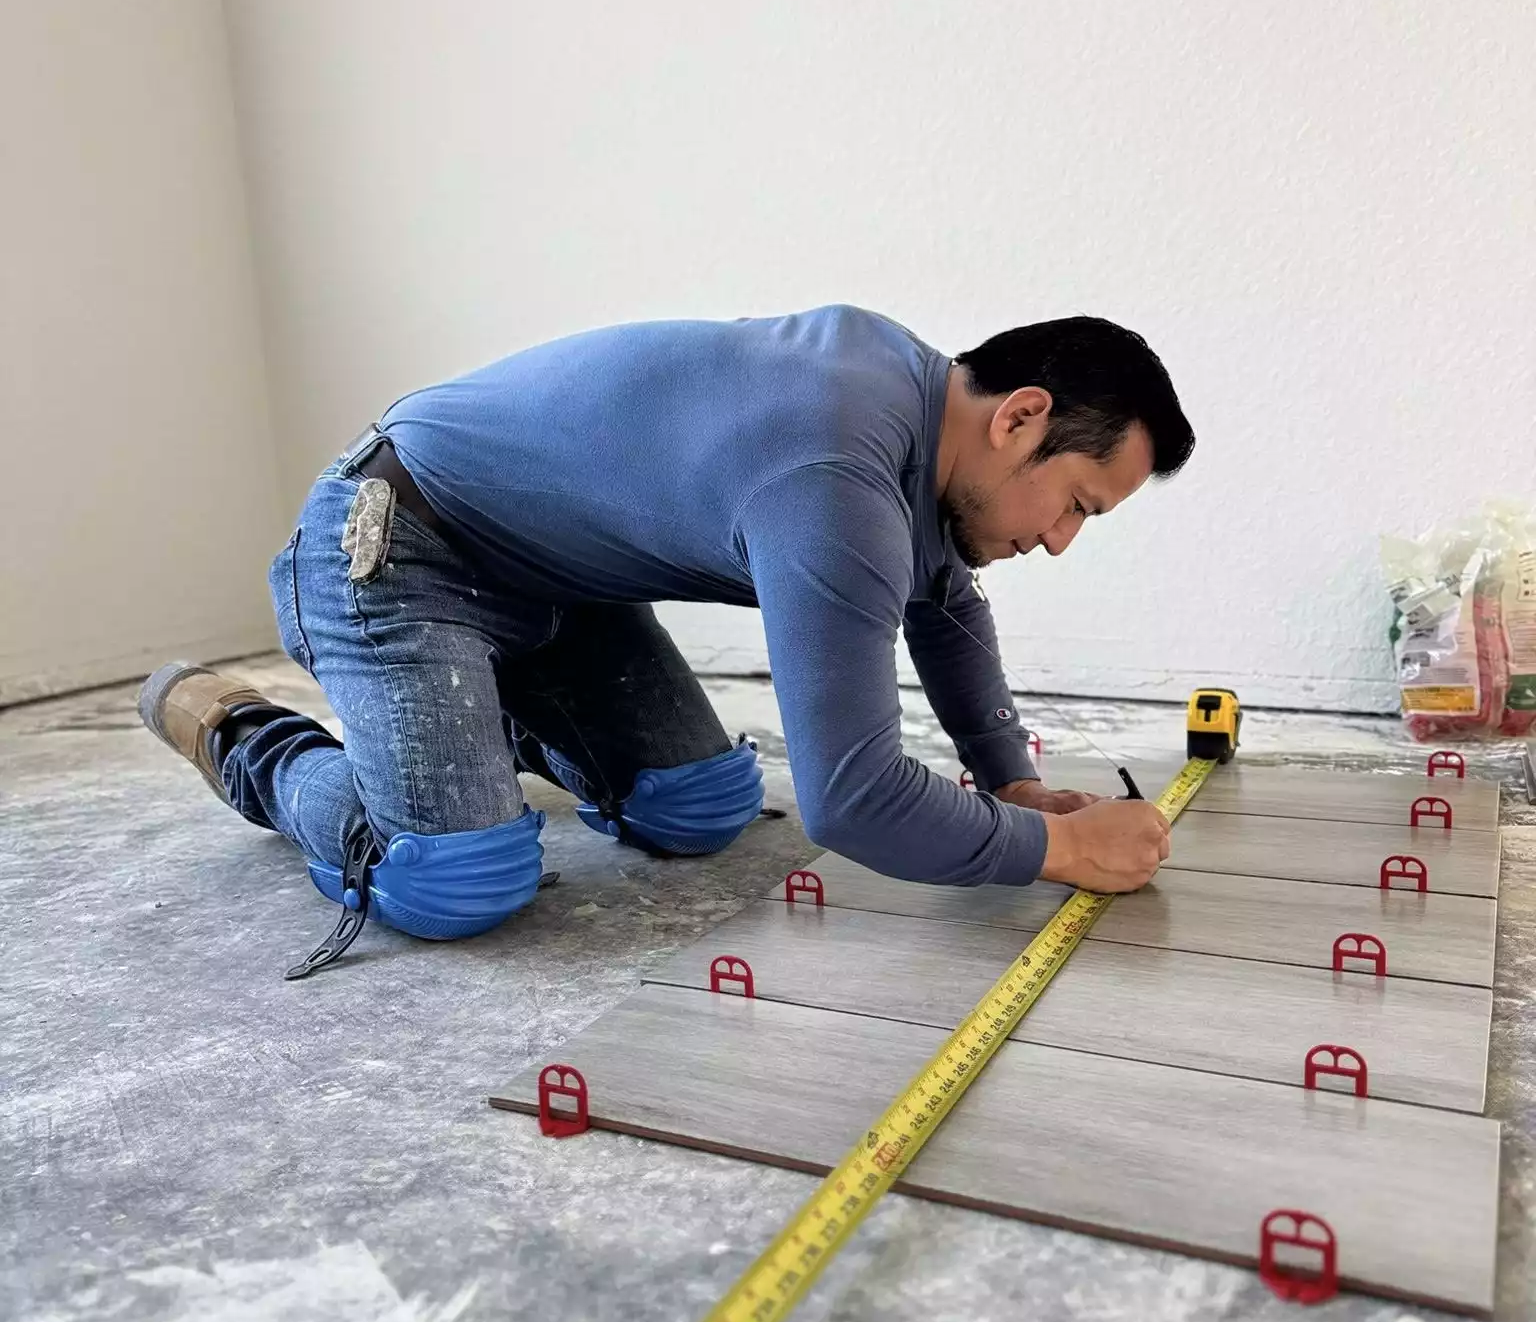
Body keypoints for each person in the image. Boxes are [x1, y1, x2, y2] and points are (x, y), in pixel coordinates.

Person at [139, 307, 1193, 975]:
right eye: (1077, 504)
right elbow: (854, 800)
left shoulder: (918, 410)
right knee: (454, 879)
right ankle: (249, 738)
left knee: (698, 807)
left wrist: (1010, 783)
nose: (1061, 540)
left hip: (556, 584)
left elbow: (943, 598)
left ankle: (470, 722)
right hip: (398, 543)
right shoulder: (836, 470)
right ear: (1021, 417)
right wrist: (1061, 849)